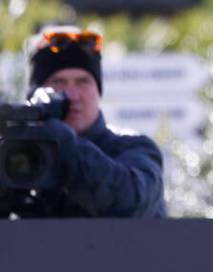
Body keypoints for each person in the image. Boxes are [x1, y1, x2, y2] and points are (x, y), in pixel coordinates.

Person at [2, 26, 165, 218]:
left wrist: (62, 142)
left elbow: (130, 200)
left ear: (98, 92)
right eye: (58, 83)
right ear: (35, 97)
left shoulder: (132, 148)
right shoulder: (16, 154)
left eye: (83, 81)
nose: (72, 95)